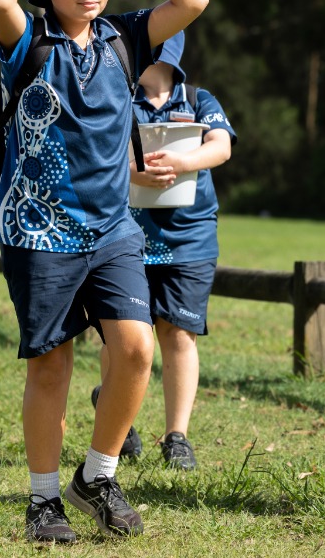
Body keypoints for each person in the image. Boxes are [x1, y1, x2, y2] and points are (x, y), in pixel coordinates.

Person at [0, 0, 209, 543]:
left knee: (136, 349)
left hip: (113, 228)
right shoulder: (27, 42)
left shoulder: (126, 38)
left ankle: (98, 475)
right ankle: (43, 501)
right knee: (52, 363)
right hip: (40, 230)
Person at [95, 30, 234, 470]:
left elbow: (222, 146)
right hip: (124, 235)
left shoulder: (198, 100)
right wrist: (135, 173)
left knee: (179, 333)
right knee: (120, 335)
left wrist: (182, 160)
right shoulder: (118, 94)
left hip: (188, 238)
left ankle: (177, 436)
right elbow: (100, 151)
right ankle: (120, 417)